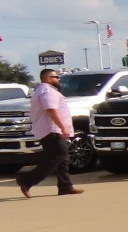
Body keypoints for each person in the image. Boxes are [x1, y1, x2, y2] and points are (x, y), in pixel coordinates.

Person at [16, 69, 83, 197]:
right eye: (56, 77)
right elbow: (51, 110)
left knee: (63, 158)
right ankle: (26, 181)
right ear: (47, 78)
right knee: (57, 156)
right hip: (51, 130)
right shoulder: (47, 91)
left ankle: (65, 187)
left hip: (51, 129)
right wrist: (63, 127)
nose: (58, 79)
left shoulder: (45, 90)